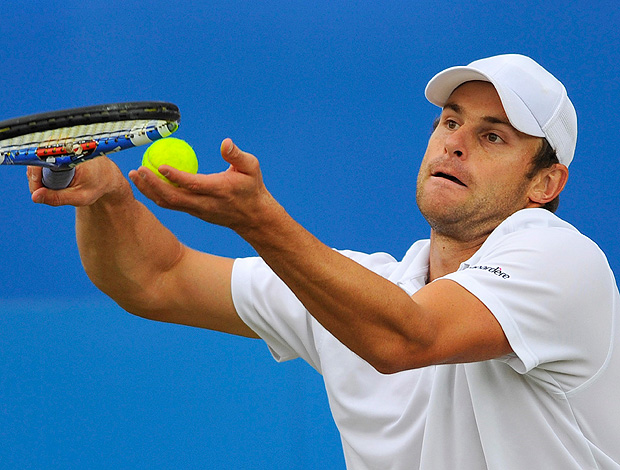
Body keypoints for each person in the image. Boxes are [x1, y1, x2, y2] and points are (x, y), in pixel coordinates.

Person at [28, 54, 620, 469]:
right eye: (450, 121)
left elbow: (406, 339)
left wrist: (259, 220)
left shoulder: (561, 259)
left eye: (493, 136)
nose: (455, 141)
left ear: (545, 183)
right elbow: (156, 279)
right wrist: (106, 195)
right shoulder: (362, 288)